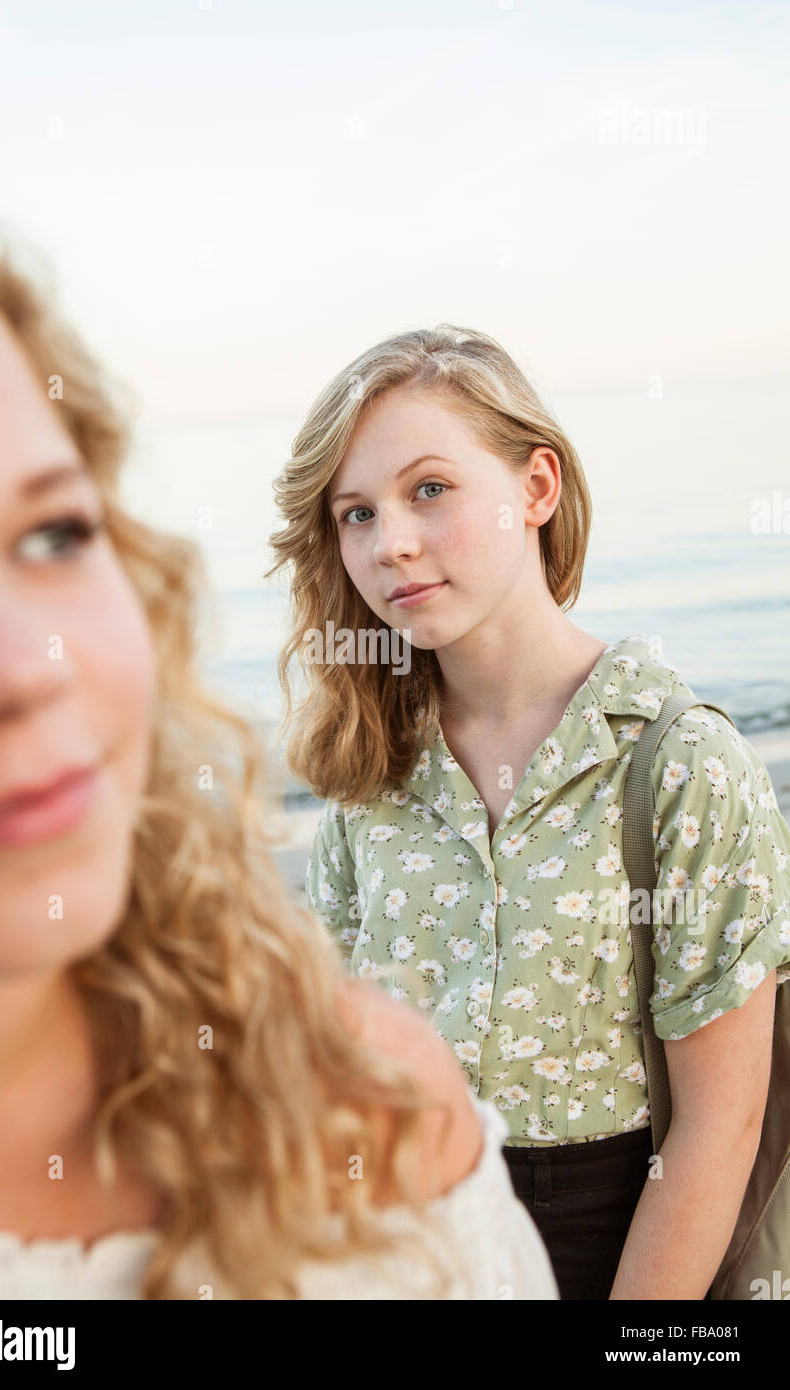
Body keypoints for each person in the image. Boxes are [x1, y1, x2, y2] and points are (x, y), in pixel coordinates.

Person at [0, 231, 559, 1301]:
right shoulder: (371, 784)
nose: (17, 669)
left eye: (52, 534)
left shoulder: (371, 1114)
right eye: (356, 513)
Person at [267, 323, 790, 1300]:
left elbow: (721, 1125)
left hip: (624, 1248)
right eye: (354, 513)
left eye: (428, 488)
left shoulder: (678, 762)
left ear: (535, 489)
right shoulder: (366, 778)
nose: (391, 544)